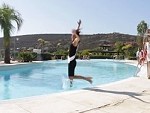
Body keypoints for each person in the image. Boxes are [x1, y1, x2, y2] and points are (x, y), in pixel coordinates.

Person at [68, 20, 92, 86]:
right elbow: (77, 33)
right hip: (71, 61)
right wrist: (78, 26)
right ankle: (71, 85)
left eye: (72, 35)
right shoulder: (74, 41)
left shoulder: (75, 42)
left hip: (72, 61)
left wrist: (75, 33)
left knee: (71, 76)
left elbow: (78, 38)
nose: (71, 36)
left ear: (74, 36)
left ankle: (86, 79)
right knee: (71, 76)